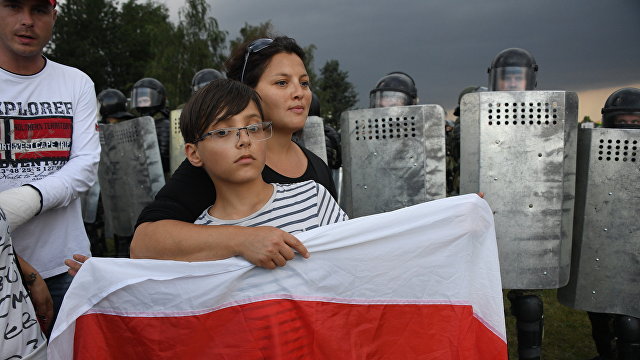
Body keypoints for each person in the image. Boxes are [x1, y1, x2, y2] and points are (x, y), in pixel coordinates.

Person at [130, 36, 337, 267]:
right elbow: (144, 244)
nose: (299, 92)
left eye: (305, 82)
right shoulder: (220, 164)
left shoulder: (316, 174)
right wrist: (242, 239)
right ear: (245, 91)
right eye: (282, 83)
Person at [0, 0, 100, 337]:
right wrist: (21, 268)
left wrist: (23, 201)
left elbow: (85, 167)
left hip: (68, 267)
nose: (27, 21)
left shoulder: (77, 83)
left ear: (53, 16)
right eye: (13, 6)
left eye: (39, 10)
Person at [183, 78, 346, 245]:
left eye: (253, 128)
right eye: (223, 132)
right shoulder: (199, 242)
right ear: (194, 154)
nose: (244, 140)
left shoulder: (313, 198)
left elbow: (354, 264)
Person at [584, 87, 640, 360]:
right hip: (603, 240)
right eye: (622, 123)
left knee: (631, 319)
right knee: (599, 309)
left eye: (635, 122)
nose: (629, 129)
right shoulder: (596, 150)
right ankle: (606, 353)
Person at [131, 77, 170, 173]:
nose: (141, 104)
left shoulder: (163, 124)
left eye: (145, 100)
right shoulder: (139, 123)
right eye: (139, 101)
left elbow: (164, 160)